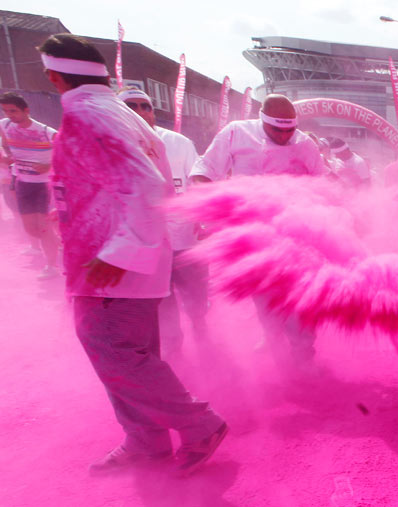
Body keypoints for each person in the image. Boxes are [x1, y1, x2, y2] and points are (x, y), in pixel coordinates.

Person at [39, 33, 227, 476]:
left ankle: (199, 425)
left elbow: (146, 185)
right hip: (121, 259)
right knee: (131, 355)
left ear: (52, 75)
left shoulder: (89, 114)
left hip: (110, 265)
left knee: (115, 353)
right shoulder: (115, 111)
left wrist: (119, 253)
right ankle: (146, 442)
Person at [190, 93, 325, 363]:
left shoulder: (306, 144)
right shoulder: (236, 133)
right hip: (251, 234)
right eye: (278, 129)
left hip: (294, 234)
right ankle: (273, 337)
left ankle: (303, 355)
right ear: (262, 120)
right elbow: (203, 173)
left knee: (299, 295)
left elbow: (324, 187)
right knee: (263, 294)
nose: (286, 136)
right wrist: (218, 209)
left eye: (291, 130)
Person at [118, 87, 209, 356]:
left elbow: (197, 182)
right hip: (146, 245)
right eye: (132, 106)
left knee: (197, 297)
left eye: (145, 106)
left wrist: (203, 218)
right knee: (163, 302)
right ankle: (174, 348)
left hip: (184, 239)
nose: (141, 112)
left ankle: (202, 331)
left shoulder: (179, 142)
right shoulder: (112, 146)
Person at [0, 92, 60, 277]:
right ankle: (57, 241)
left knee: (43, 227)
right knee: (30, 228)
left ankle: (51, 266)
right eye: (6, 111)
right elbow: (6, 146)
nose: (10, 115)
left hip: (44, 185)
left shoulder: (47, 132)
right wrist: (7, 158)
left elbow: (68, 156)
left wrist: (48, 166)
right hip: (23, 183)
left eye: (14, 111)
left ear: (26, 110)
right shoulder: (4, 125)